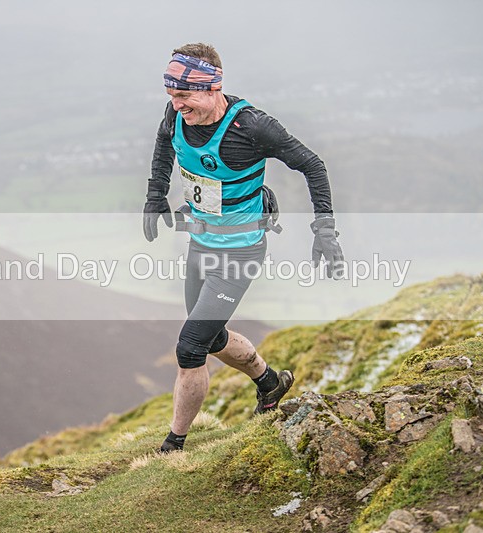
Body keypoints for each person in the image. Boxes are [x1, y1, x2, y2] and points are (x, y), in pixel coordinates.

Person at [143, 43, 343, 453]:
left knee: (190, 346)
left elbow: (312, 165)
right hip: (201, 243)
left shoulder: (251, 126)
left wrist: (325, 228)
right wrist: (155, 195)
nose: (177, 106)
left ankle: (174, 444)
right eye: (172, 97)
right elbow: (165, 143)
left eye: (185, 96)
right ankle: (270, 383)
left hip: (239, 252)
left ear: (213, 87)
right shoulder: (176, 115)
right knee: (211, 337)